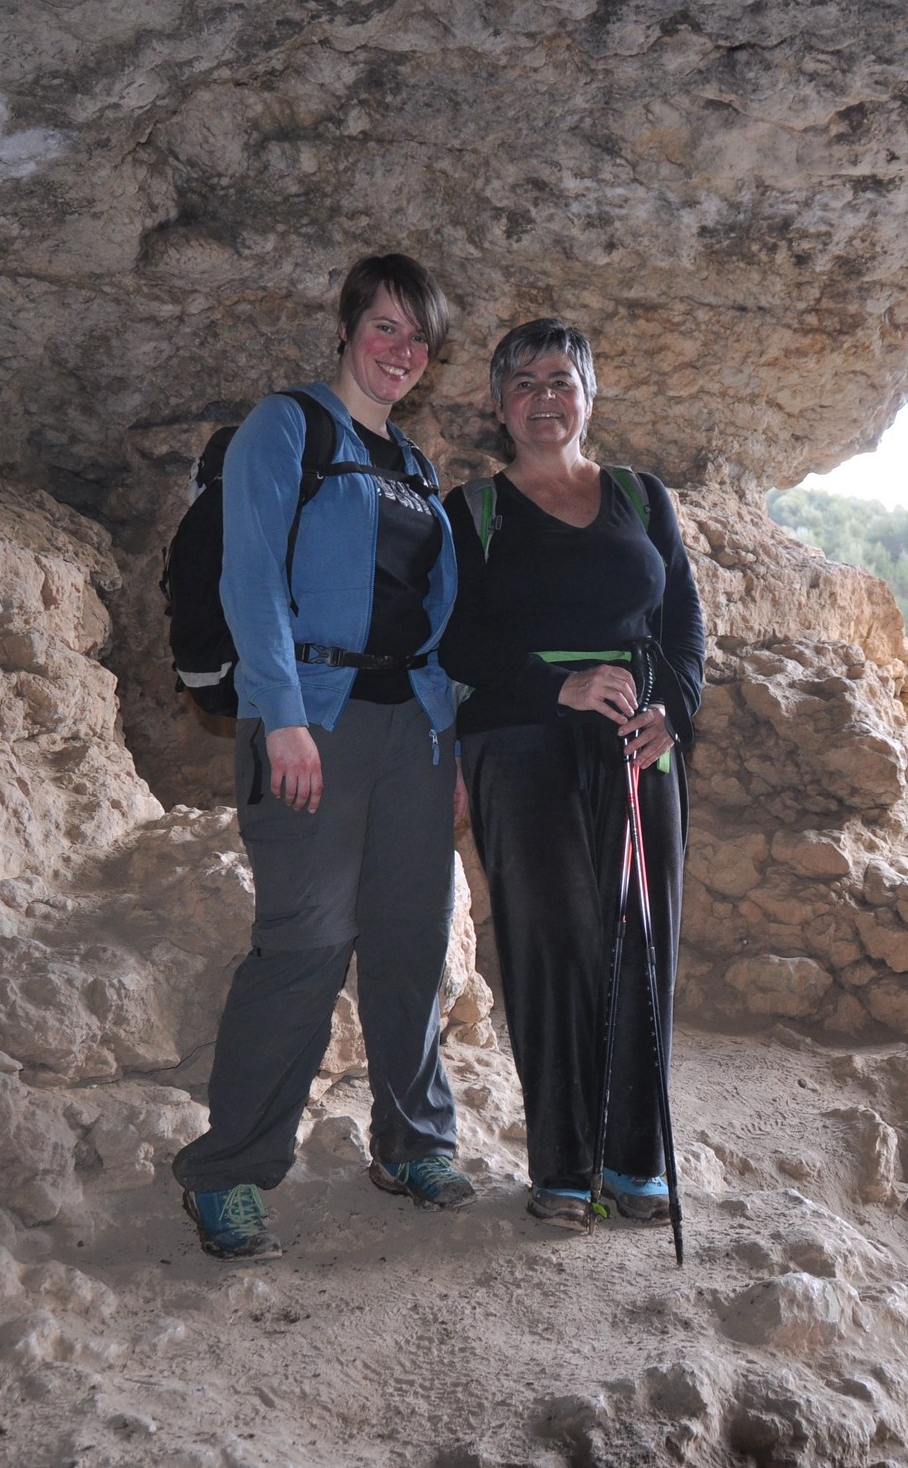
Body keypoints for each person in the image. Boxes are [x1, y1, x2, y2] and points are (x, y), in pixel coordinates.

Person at [172, 253, 476, 1260]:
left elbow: (434, 615)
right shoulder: (288, 426)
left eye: (418, 338)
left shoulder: (415, 466)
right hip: (313, 715)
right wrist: (282, 714)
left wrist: (449, 738)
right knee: (304, 939)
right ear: (346, 327)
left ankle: (413, 1142)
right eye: (385, 326)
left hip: (412, 730)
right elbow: (250, 576)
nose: (400, 350)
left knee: (410, 937)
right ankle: (228, 1170)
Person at [441, 318, 705, 1233]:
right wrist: (559, 685)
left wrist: (673, 712)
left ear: (589, 396)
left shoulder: (640, 495)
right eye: (523, 383)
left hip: (638, 739)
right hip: (520, 738)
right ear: (498, 405)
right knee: (554, 944)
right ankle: (563, 1164)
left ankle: (636, 1160)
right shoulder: (472, 511)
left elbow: (682, 623)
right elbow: (453, 638)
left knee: (643, 936)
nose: (543, 397)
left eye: (561, 379)